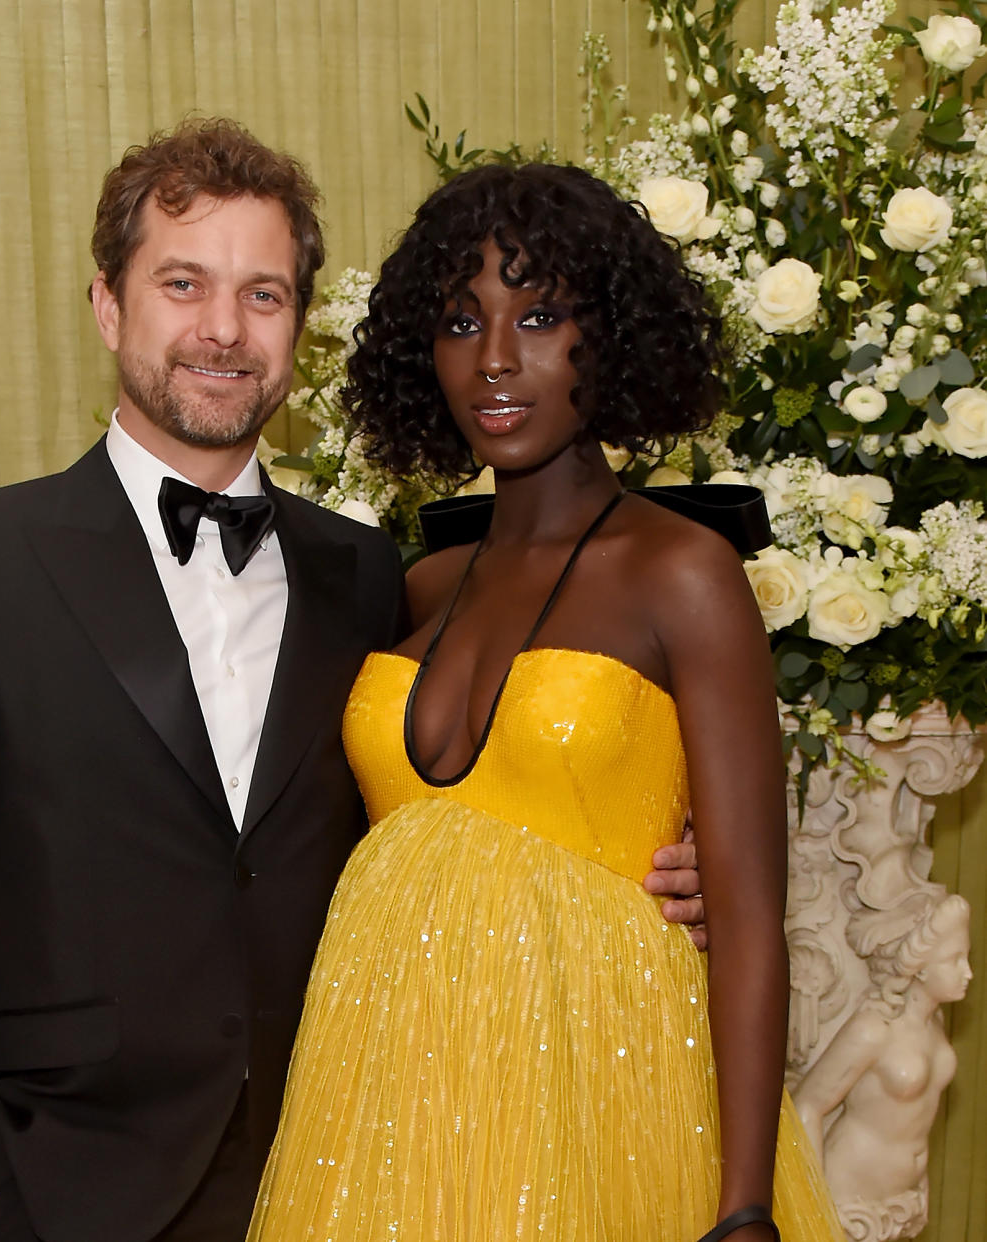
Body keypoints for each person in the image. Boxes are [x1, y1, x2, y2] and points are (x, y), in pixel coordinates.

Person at [0, 123, 706, 1242]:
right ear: (108, 305)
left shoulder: (369, 571)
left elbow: (450, 815)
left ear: (298, 324)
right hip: (72, 1185)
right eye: (183, 284)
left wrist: (673, 872)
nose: (223, 332)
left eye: (264, 294)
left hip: (353, 1155)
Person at [246, 163, 843, 1242]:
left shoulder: (684, 573)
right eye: (462, 322)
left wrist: (746, 1208)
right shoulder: (415, 587)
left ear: (609, 339)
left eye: (543, 315)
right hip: (393, 1105)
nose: (497, 360)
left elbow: (751, 918)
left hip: (606, 1098)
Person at [793, 894, 972, 1236]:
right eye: (955, 959)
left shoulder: (934, 1023)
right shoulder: (873, 1029)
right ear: (919, 966)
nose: (968, 972)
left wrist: (921, 1184)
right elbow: (807, 1105)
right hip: (848, 1195)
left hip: (902, 1201)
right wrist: (811, 1202)